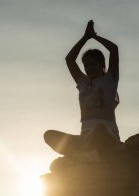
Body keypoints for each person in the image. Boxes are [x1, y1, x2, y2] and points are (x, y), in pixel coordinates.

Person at [44, 20, 120, 160]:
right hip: (84, 141)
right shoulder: (83, 82)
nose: (87, 68)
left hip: (107, 137)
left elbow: (114, 49)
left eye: (91, 64)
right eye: (85, 65)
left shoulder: (110, 79)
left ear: (102, 64)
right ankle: (83, 157)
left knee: (100, 129)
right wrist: (85, 37)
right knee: (49, 135)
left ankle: (89, 156)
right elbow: (69, 60)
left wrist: (95, 37)